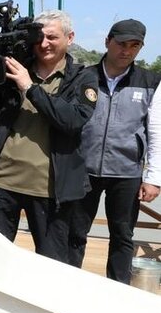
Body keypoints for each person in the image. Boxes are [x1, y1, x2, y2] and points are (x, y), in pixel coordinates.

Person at [0, 10, 98, 262]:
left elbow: (72, 121)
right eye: (39, 37)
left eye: (52, 37)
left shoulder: (84, 77)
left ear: (70, 37)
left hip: (50, 191)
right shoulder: (11, 71)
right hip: (2, 183)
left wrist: (29, 87)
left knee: (52, 263)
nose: (44, 44)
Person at [68, 19, 161, 283]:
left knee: (122, 236)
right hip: (82, 168)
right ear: (107, 41)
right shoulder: (83, 76)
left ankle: (118, 291)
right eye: (121, 43)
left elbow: (157, 131)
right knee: (75, 232)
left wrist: (154, 177)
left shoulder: (151, 82)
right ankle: (68, 287)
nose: (127, 51)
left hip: (126, 172)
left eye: (135, 45)